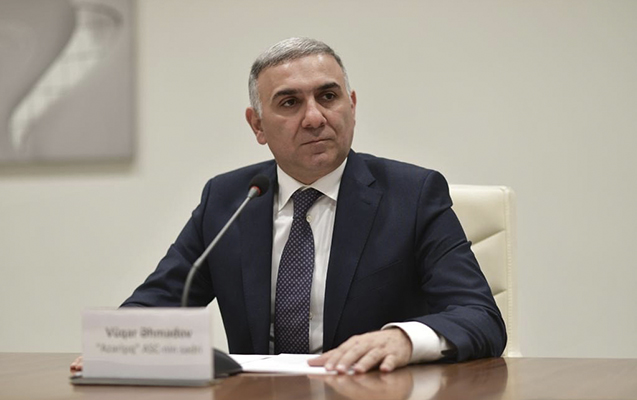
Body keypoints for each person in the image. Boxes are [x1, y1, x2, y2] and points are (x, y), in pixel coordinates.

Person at [71, 37, 506, 375]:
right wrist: (115, 346)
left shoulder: (412, 194)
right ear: (257, 125)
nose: (314, 117)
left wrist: (404, 340)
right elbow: (160, 301)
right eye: (290, 103)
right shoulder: (229, 199)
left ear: (352, 107)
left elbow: (480, 316)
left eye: (328, 96)